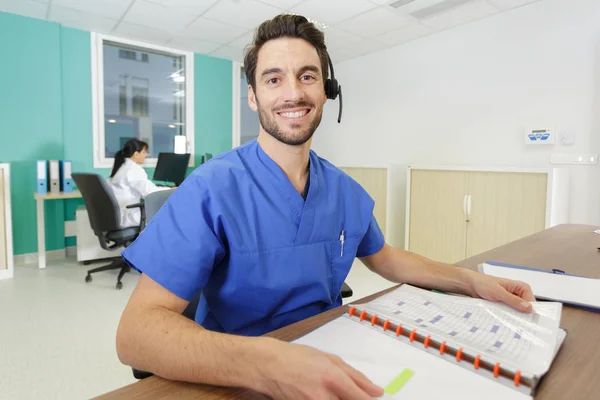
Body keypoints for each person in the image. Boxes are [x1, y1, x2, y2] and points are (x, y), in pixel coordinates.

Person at [115, 14, 535, 399]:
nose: (294, 92)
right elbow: (136, 334)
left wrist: (469, 281)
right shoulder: (211, 189)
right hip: (237, 374)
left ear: (326, 90)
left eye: (307, 76)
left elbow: (385, 257)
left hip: (332, 353)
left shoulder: (342, 189)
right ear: (253, 96)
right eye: (274, 79)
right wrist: (265, 363)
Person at [108, 138, 168, 228]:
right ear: (136, 154)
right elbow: (150, 192)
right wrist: (171, 190)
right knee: (167, 214)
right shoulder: (133, 169)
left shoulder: (121, 167)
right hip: (129, 216)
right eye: (144, 152)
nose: (146, 155)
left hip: (117, 216)